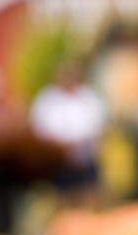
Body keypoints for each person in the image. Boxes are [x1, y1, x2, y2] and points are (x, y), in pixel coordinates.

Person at [30, 63, 106, 204]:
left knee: (89, 200)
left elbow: (97, 128)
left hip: (85, 161)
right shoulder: (47, 100)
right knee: (60, 202)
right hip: (58, 163)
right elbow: (39, 130)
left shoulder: (90, 98)